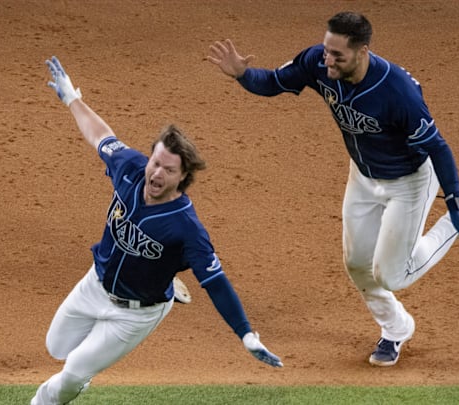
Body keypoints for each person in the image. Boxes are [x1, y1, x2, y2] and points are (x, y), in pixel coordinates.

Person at [206, 11, 459, 367]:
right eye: (327, 50)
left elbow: (438, 146)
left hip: (410, 181)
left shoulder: (397, 92)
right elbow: (274, 82)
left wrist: (454, 203)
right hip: (362, 175)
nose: (327, 59)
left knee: (391, 274)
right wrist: (242, 75)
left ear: (362, 52)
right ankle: (396, 328)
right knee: (357, 263)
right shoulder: (317, 61)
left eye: (337, 55)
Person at [32, 56, 282, 405]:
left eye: (167, 169)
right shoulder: (131, 169)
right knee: (56, 347)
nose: (156, 173)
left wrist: (246, 335)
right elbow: (102, 136)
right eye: (155, 162)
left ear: (182, 177)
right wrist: (73, 99)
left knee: (71, 372)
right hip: (96, 283)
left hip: (133, 314)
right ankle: (163, 275)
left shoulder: (187, 229)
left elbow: (216, 283)